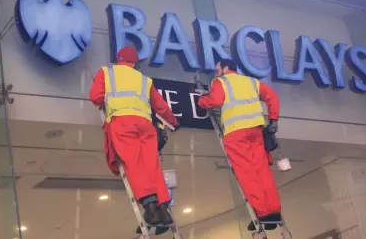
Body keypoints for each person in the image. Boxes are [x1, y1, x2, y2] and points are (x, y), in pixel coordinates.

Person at [89, 46, 180, 227]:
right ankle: (163, 207)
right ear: (134, 62)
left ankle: (150, 206)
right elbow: (160, 106)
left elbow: (95, 97)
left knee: (134, 163)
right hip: (145, 125)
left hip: (122, 122)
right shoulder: (145, 80)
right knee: (151, 164)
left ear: (119, 60)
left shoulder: (106, 73)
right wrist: (174, 122)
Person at [197, 59, 281, 231]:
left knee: (247, 173)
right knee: (262, 170)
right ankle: (274, 212)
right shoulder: (251, 82)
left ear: (226, 68)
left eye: (217, 69)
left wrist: (202, 101)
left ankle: (263, 213)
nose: (216, 73)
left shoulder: (221, 81)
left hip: (236, 133)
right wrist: (273, 119)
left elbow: (215, 101)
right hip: (256, 131)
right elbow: (272, 96)